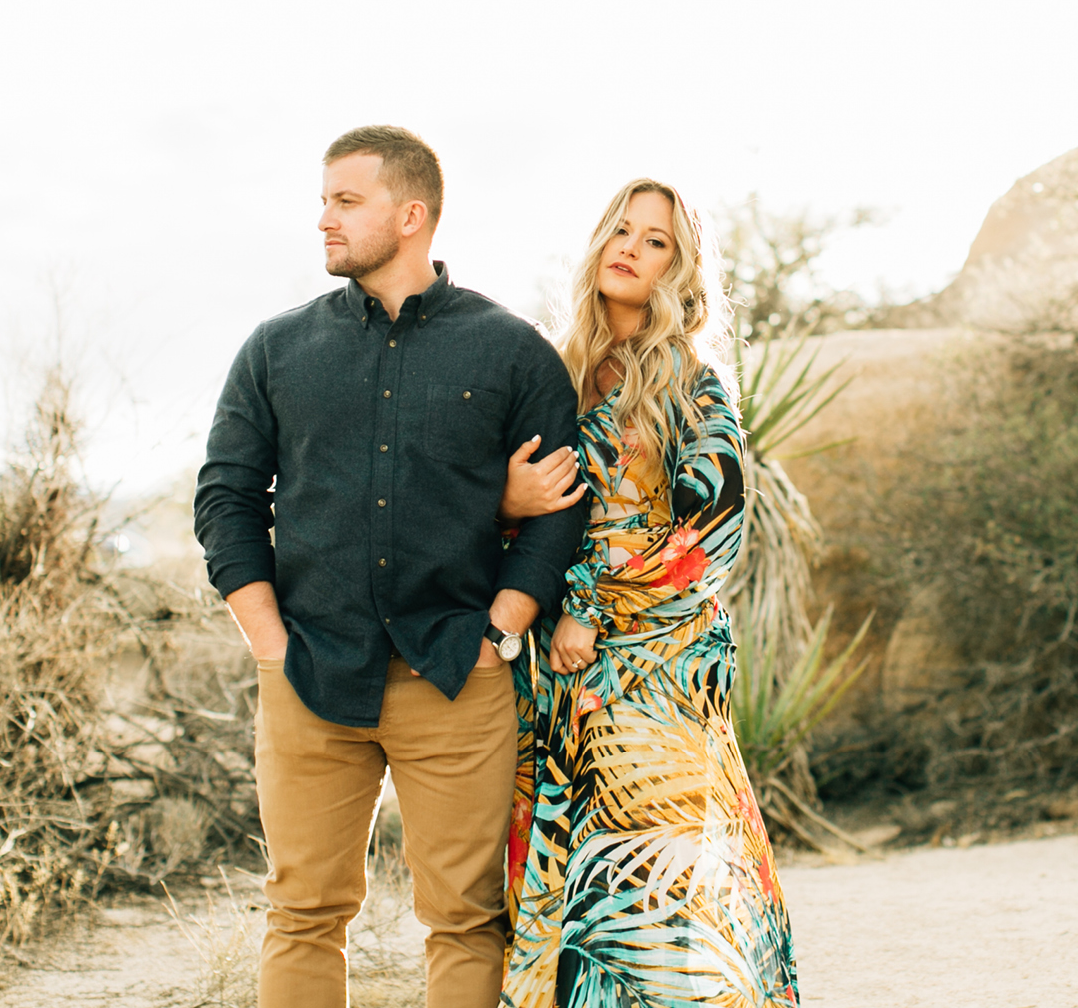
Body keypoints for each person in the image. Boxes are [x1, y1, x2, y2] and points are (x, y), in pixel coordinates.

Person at [193, 124, 590, 1008]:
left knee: (465, 917)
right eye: (323, 199)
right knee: (302, 912)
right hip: (309, 672)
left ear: (412, 215)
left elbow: (563, 509)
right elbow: (225, 498)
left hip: (458, 673)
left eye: (346, 200)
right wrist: (268, 644)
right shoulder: (276, 349)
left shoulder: (510, 349)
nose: (323, 219)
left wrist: (504, 628)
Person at [495, 178, 799, 1008]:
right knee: (576, 906)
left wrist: (592, 607)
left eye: (655, 239)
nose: (630, 246)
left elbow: (715, 533)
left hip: (656, 675)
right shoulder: (552, 370)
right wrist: (511, 511)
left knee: (658, 897)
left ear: (681, 267)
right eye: (621, 230)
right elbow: (516, 510)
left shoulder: (693, 384)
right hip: (557, 677)